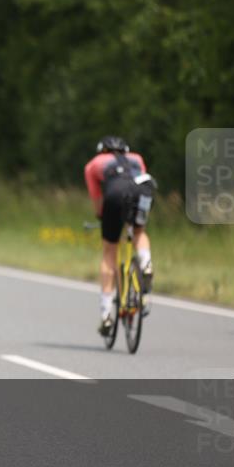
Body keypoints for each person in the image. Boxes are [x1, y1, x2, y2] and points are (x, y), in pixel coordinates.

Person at [84, 135, 155, 336]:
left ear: (102, 151)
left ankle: (106, 314)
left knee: (109, 251)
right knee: (139, 231)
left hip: (115, 195)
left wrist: (102, 217)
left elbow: (97, 200)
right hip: (143, 191)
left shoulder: (94, 164)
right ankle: (146, 263)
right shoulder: (137, 158)